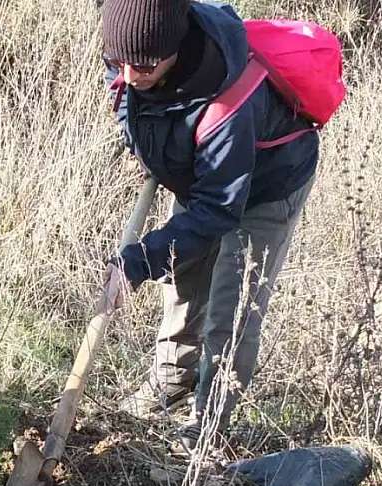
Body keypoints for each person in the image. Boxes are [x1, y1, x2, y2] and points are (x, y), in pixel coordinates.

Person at [100, 0, 319, 451]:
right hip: (204, 175)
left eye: (141, 64)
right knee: (184, 276)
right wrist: (151, 150)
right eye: (116, 61)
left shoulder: (229, 99)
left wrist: (137, 262)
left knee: (231, 308)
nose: (127, 74)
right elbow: (128, 101)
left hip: (267, 184)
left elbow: (219, 208)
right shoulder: (131, 57)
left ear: (174, 48)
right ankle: (171, 382)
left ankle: (210, 419)